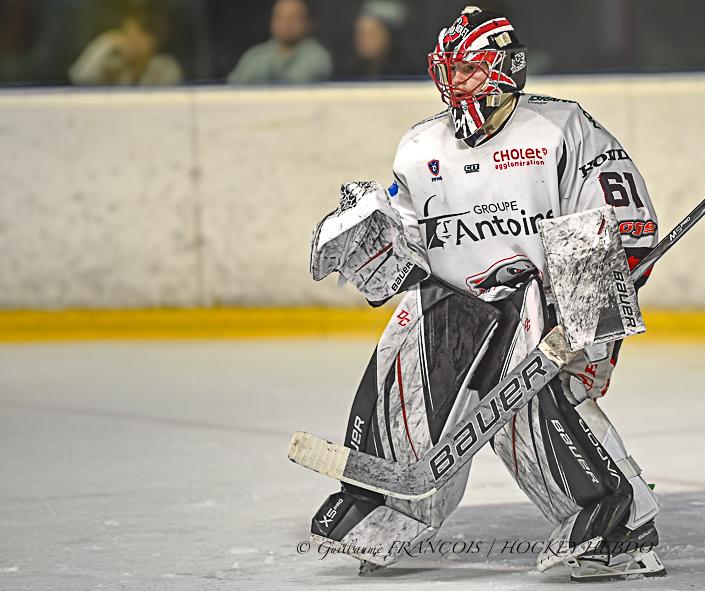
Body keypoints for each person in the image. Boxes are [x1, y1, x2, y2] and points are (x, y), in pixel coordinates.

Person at [307, 6, 663, 582]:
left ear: (504, 69)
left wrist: (584, 315)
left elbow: (625, 224)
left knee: (534, 404)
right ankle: (388, 506)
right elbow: (408, 242)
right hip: (452, 306)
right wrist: (375, 241)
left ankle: (618, 523)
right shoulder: (420, 146)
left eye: (467, 70)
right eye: (448, 70)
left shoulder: (561, 129)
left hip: (548, 306)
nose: (454, 84)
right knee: (404, 375)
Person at [68, 4, 182, 86]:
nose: (129, 41)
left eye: (136, 36)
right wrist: (107, 43)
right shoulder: (112, 63)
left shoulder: (165, 68)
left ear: (153, 41)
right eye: (126, 33)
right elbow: (80, 78)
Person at [227, 0, 331, 85]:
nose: (286, 24)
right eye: (280, 18)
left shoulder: (317, 56)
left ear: (307, 23)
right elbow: (235, 82)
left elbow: (297, 81)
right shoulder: (256, 55)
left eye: (293, 18)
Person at [336, 0, 415, 79]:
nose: (364, 40)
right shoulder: (347, 72)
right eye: (360, 34)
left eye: (372, 34)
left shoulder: (407, 74)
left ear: (389, 37)